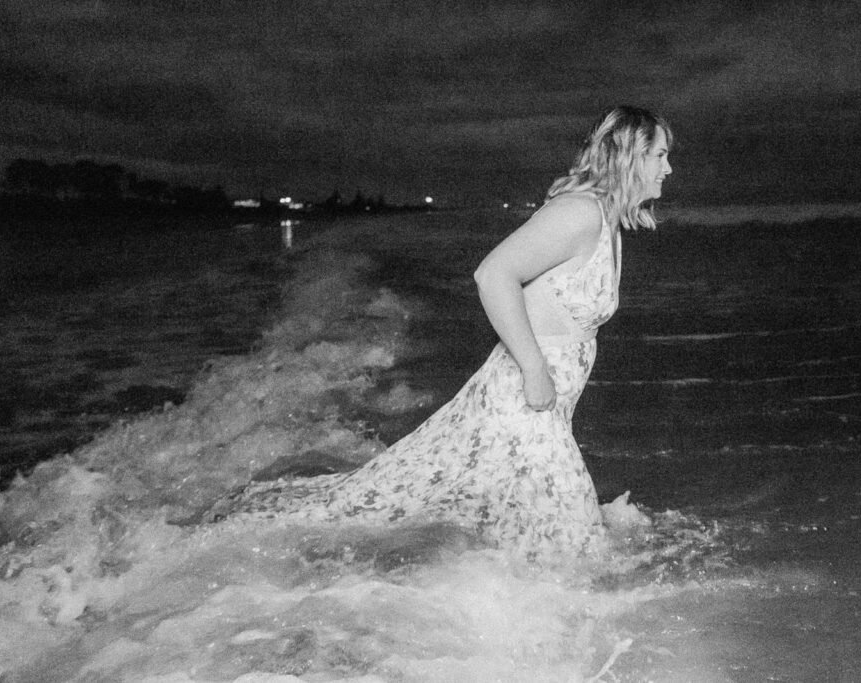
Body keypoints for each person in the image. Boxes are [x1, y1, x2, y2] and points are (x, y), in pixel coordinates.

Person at [220, 106, 673, 559]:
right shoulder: (579, 214)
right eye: (659, 155)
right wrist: (534, 370)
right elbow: (493, 275)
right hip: (524, 404)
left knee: (522, 536)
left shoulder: (606, 222)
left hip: (542, 409)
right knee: (576, 549)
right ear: (628, 155)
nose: (668, 168)